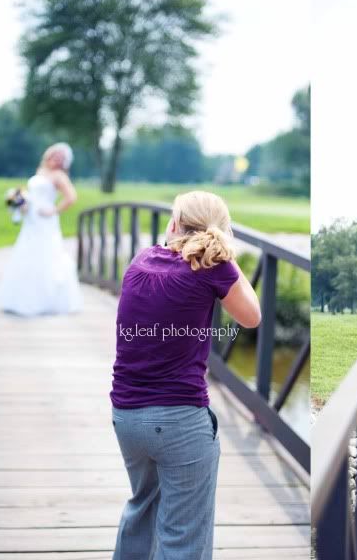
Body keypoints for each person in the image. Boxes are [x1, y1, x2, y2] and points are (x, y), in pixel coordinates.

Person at [110, 190, 261, 559]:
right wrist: (225, 256)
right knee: (183, 539)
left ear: (173, 224)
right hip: (179, 420)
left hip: (126, 417)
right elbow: (252, 316)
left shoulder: (142, 258)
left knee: (142, 508)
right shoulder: (213, 268)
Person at [0, 142, 83, 316]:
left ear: (64, 162)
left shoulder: (59, 175)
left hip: (45, 220)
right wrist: (22, 201)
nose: (56, 159)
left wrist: (54, 210)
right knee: (27, 252)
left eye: (61, 158)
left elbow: (71, 197)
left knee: (46, 254)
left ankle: (46, 300)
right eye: (55, 154)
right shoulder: (41, 171)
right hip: (31, 219)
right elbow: (34, 193)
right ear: (48, 154)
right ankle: (21, 298)